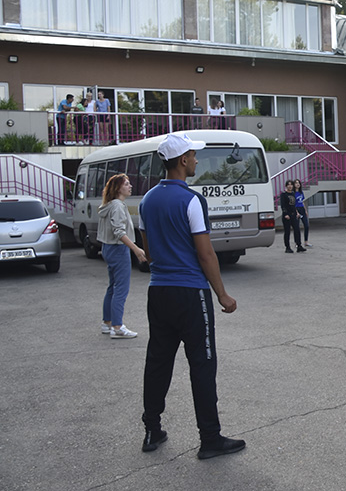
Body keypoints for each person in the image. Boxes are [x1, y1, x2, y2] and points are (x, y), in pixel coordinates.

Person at [137, 132, 245, 459]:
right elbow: (205, 254)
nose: (197, 160)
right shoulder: (191, 200)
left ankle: (152, 430)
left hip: (158, 291)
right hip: (190, 293)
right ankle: (210, 439)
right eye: (194, 156)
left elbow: (149, 253)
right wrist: (222, 294)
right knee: (202, 364)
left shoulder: (146, 200)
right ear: (183, 161)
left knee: (158, 361)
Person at [97, 173, 147, 339]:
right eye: (126, 184)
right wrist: (136, 249)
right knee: (121, 288)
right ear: (118, 188)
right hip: (118, 249)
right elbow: (119, 232)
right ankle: (117, 327)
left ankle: (107, 323)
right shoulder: (118, 206)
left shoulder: (109, 205)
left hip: (107, 248)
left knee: (113, 287)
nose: (130, 186)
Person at [279, 180, 305, 253]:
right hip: (287, 216)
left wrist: (297, 213)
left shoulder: (293, 193)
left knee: (297, 230)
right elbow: (283, 205)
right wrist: (286, 214)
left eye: (291, 185)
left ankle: (299, 246)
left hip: (294, 214)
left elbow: (294, 205)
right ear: (286, 186)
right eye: (288, 185)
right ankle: (287, 247)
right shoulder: (283, 194)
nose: (290, 186)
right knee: (287, 232)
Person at [293, 179, 311, 247]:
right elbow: (293, 204)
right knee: (296, 227)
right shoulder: (293, 193)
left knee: (306, 225)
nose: (298, 184)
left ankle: (306, 241)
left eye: (299, 183)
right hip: (296, 209)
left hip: (302, 209)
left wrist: (305, 210)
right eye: (296, 183)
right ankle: (297, 242)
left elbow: (302, 202)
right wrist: (296, 212)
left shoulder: (301, 192)